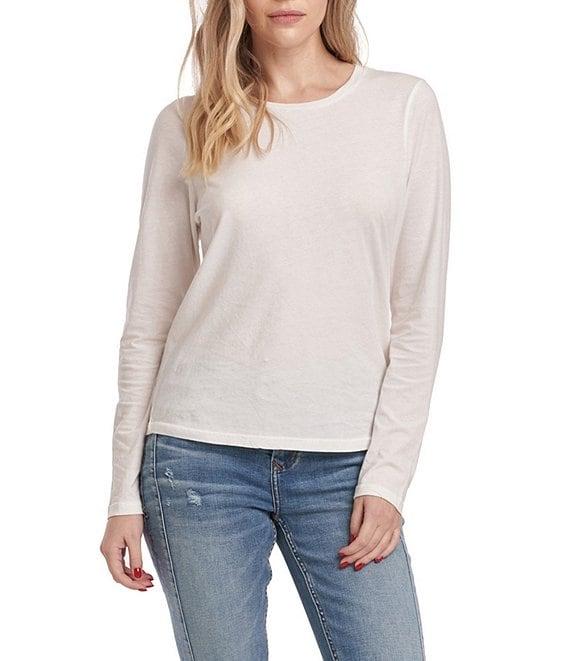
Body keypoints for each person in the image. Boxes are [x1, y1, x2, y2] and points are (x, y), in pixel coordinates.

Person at [100, 1, 451, 659]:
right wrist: (123, 490)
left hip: (345, 461)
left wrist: (387, 478)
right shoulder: (188, 121)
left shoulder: (402, 107)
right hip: (198, 458)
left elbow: (417, 318)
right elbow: (149, 320)